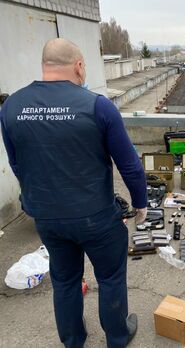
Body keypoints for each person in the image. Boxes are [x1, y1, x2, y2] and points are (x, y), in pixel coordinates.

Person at [0, 38, 147, 348]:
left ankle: (73, 341)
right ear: (79, 66)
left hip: (48, 218)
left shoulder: (11, 106)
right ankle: (117, 338)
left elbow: (17, 163)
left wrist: (37, 200)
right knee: (110, 278)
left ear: (45, 66)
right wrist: (140, 204)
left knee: (65, 281)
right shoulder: (98, 106)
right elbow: (130, 165)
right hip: (96, 217)